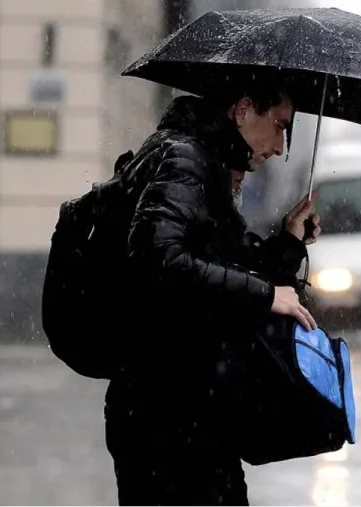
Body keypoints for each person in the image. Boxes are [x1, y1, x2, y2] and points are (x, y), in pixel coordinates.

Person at [104, 84, 321, 505]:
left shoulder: (208, 164)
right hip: (166, 416)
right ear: (242, 110)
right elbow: (158, 259)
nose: (279, 147)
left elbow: (219, 273)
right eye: (279, 127)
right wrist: (264, 295)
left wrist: (289, 244)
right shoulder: (187, 159)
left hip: (186, 409)